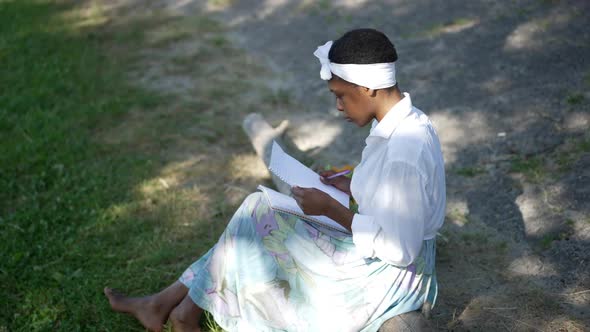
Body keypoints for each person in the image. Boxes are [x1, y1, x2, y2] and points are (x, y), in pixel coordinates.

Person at [104, 28, 446, 332]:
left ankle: (177, 312)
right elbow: (395, 200)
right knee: (258, 213)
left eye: (341, 95)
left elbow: (401, 250)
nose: (339, 107)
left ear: (368, 88)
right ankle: (170, 308)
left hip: (390, 279)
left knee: (257, 214)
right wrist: (351, 186)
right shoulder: (403, 123)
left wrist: (329, 208)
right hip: (378, 258)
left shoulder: (404, 150)